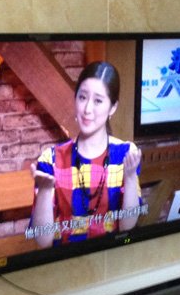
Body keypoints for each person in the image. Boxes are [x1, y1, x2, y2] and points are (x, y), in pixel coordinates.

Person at [29, 61, 142, 247]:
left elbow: (127, 227)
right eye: (82, 97)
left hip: (111, 256)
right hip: (67, 259)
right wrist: (45, 191)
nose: (87, 109)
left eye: (98, 101)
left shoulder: (126, 154)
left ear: (113, 108)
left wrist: (130, 177)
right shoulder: (50, 160)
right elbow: (43, 241)